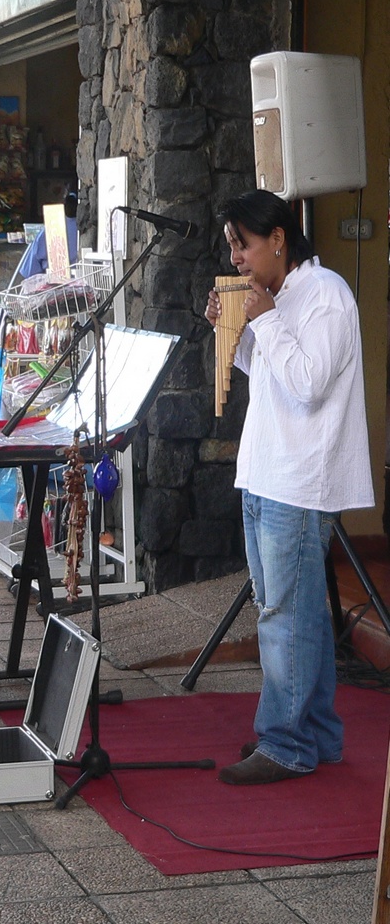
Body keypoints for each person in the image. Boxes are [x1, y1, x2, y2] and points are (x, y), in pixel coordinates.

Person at [205, 189, 374, 785]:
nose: (237, 259)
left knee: (283, 615)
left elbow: (307, 384)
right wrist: (242, 334)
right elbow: (272, 371)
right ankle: (320, 737)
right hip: (268, 471)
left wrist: (265, 320)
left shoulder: (325, 295)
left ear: (278, 238)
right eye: (231, 247)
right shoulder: (280, 299)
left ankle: (285, 745)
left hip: (300, 480)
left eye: (242, 245)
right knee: (295, 610)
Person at [18, 190, 78, 278]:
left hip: (52, 285)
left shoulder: (49, 230)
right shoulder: (86, 228)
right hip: (81, 284)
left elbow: (29, 272)